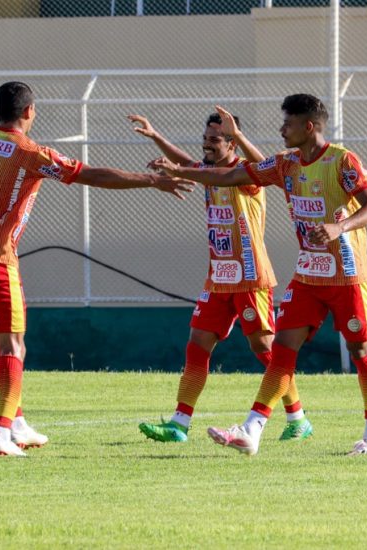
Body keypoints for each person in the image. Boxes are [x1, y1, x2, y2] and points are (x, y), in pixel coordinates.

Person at [0, 81, 192, 457]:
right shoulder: (29, 151)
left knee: (1, 339)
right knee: (13, 344)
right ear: (29, 112)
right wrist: (152, 180)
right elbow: (91, 175)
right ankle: (1, 437)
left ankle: (18, 423)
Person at [150, 93, 367, 456]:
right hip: (307, 274)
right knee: (280, 349)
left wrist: (341, 228)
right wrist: (179, 170)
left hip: (348, 274)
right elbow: (230, 174)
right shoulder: (286, 163)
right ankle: (252, 429)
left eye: (287, 124)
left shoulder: (343, 160)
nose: (281, 130)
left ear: (308, 127)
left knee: (360, 348)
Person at [131, 108, 312, 443]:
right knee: (197, 343)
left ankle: (297, 417)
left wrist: (241, 138)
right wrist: (156, 136)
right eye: (205, 140)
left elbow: (267, 168)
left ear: (232, 143)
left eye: (215, 140)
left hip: (250, 276)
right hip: (218, 276)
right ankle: (179, 423)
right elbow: (186, 162)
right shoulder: (208, 171)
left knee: (266, 349)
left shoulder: (245, 172)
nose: (207, 146)